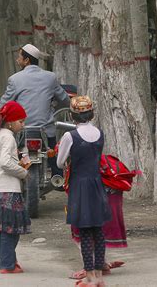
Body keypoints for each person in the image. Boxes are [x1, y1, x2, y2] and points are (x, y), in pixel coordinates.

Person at [0, 43, 70, 214]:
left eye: (19, 57)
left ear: (26, 60)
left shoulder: (15, 79)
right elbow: (65, 100)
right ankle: (60, 180)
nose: (17, 60)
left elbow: (2, 106)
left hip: (21, 131)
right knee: (56, 161)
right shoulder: (50, 77)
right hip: (45, 131)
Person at [56, 96, 111, 287]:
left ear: (72, 116)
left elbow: (60, 162)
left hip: (79, 185)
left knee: (85, 231)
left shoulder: (70, 137)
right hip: (97, 183)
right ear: (92, 113)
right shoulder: (100, 133)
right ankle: (99, 276)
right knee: (98, 230)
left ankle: (89, 277)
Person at [0, 100, 31, 274]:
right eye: (21, 121)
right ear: (11, 122)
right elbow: (5, 162)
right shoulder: (8, 137)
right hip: (8, 189)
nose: (23, 125)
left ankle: (7, 260)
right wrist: (23, 172)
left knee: (2, 228)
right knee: (11, 229)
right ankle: (7, 263)